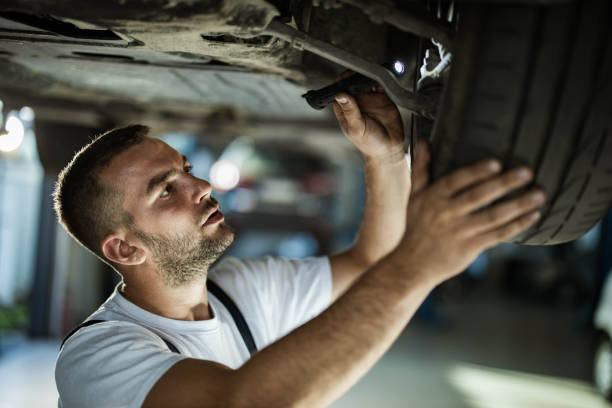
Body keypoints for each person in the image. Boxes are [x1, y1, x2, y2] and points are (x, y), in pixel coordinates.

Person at [53, 84, 545, 407]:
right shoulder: (97, 358)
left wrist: (386, 157)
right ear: (123, 249)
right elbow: (244, 404)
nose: (200, 184)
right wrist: (417, 265)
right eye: (165, 190)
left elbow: (372, 262)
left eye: (185, 168)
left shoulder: (239, 292)